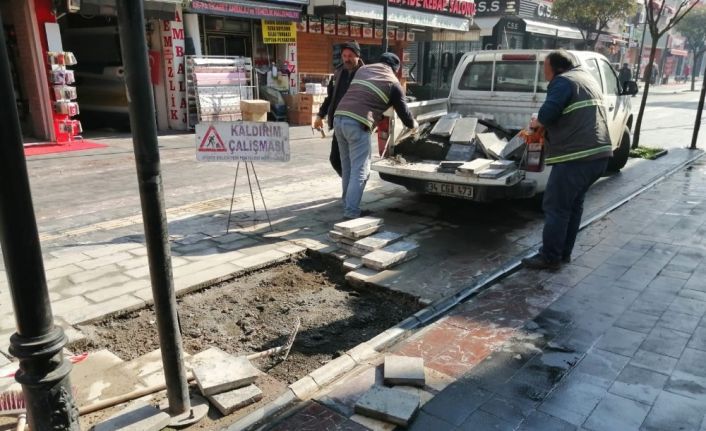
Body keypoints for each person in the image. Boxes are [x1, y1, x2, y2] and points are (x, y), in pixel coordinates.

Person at [522, 50, 612, 270]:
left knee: (556, 207)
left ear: (558, 68)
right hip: (599, 155)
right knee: (572, 206)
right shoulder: (586, 78)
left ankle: (549, 257)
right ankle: (562, 254)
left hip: (576, 156)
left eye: (546, 67)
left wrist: (535, 125)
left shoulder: (563, 82)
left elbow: (547, 114)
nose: (544, 71)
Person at [333, 53, 418, 219]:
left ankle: (348, 204)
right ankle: (351, 212)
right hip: (357, 123)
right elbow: (405, 115)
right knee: (361, 170)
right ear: (395, 69)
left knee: (348, 167)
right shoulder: (393, 83)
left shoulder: (363, 70)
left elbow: (362, 93)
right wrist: (414, 125)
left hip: (339, 118)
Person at [313, 41, 364, 177]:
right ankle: (352, 184)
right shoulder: (338, 73)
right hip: (340, 124)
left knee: (353, 161)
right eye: (344, 55)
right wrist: (320, 115)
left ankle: (353, 187)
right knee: (335, 160)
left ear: (358, 56)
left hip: (358, 124)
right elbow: (330, 97)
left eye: (350, 56)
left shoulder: (365, 74)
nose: (347, 59)